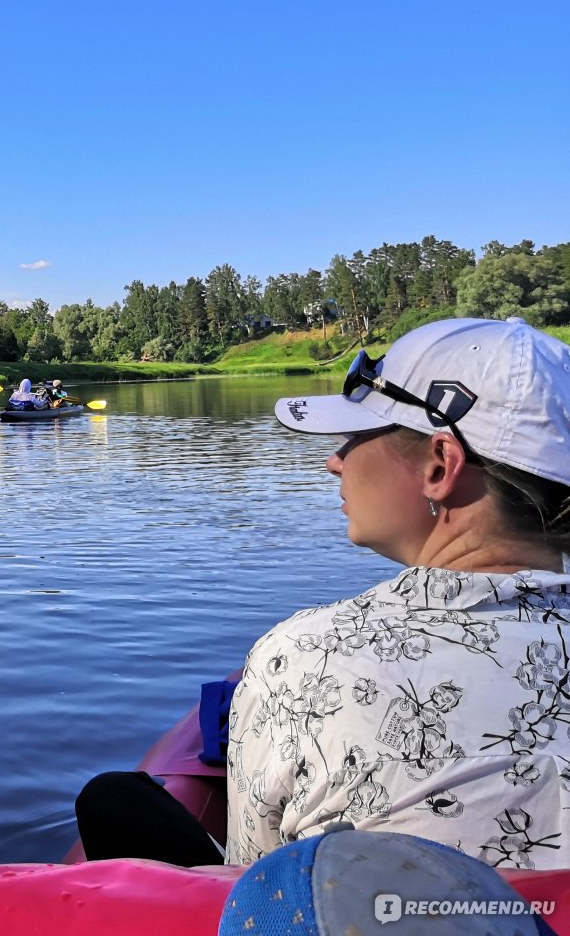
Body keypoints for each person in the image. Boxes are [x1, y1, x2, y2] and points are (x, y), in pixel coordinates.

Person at [78, 316, 570, 872]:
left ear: (439, 466)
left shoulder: (305, 658)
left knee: (114, 800)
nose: (334, 459)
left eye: (355, 437)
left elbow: (256, 889)